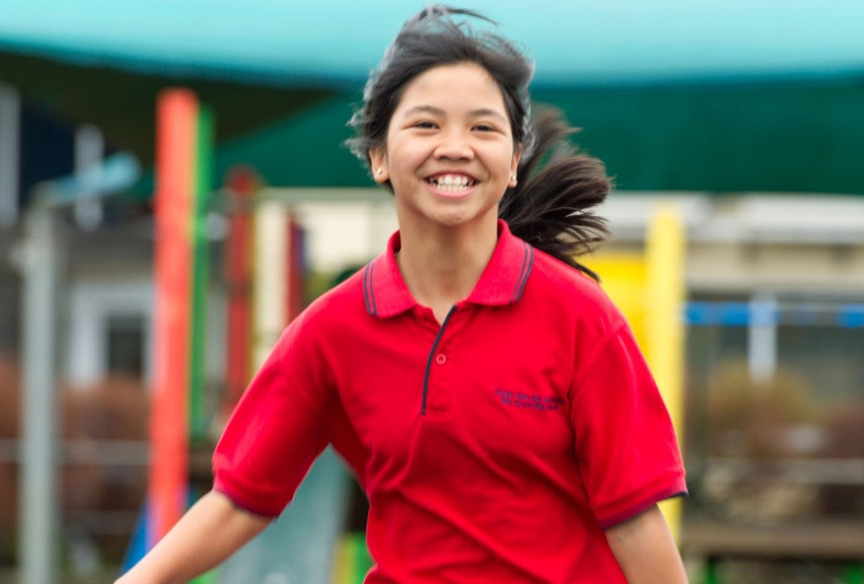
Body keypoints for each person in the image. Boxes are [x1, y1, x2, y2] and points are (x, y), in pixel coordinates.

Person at [116, 6, 688, 584]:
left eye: (483, 128)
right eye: (426, 125)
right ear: (378, 156)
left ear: (513, 160)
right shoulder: (331, 331)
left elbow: (635, 520)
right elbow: (240, 499)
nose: (455, 148)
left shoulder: (581, 320)